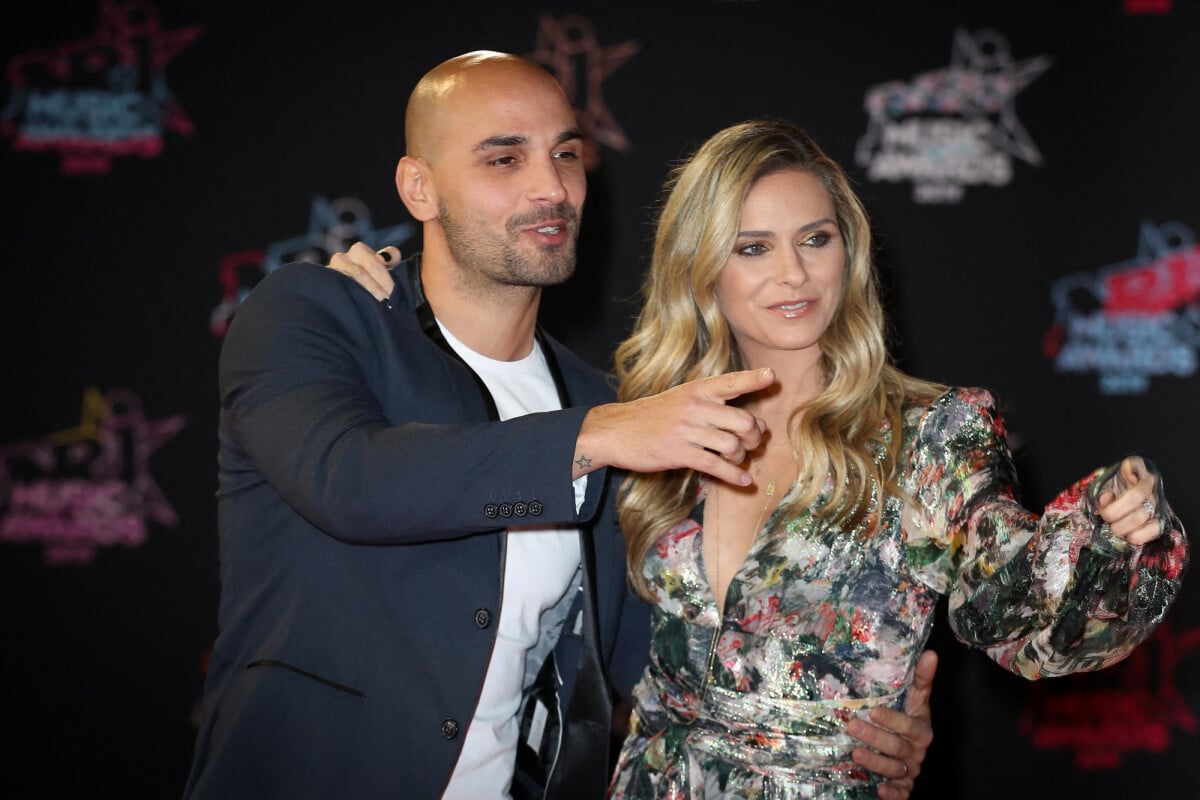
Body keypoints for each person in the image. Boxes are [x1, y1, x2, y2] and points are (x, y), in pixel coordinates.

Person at [185, 52, 933, 800]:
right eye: (504, 158)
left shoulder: (597, 400)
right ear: (419, 187)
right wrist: (596, 439)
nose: (551, 187)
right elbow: (348, 480)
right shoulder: (317, 318)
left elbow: (665, 667)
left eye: (566, 154)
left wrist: (852, 729)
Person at [602, 118, 1189, 799]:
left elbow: (1012, 609)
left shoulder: (931, 435)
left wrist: (1107, 538)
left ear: (847, 250)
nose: (794, 274)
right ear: (700, 265)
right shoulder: (661, 423)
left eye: (815, 239)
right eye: (753, 248)